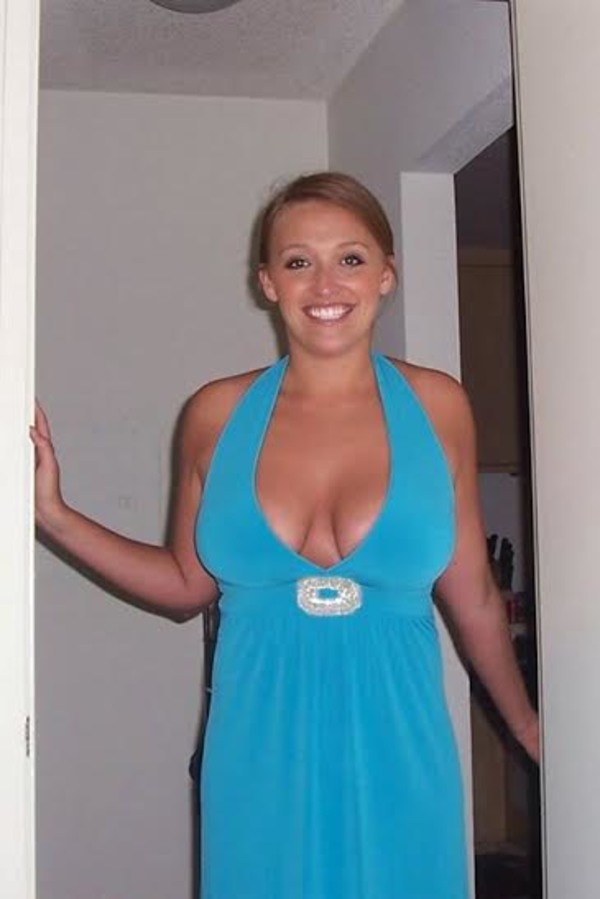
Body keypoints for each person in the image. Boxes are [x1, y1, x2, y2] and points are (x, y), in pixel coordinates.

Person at [32, 171, 539, 899]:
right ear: (268, 281)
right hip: (255, 755)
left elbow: (478, 600)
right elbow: (184, 586)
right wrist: (54, 514)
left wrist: (527, 728)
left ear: (387, 273)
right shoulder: (214, 414)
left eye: (351, 258)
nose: (325, 283)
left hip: (400, 750)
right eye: (299, 261)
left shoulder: (439, 406)